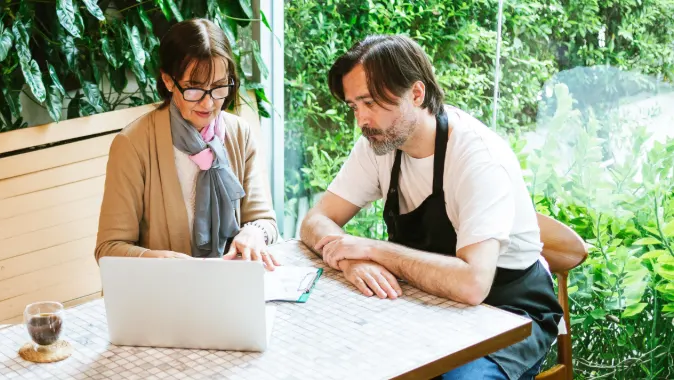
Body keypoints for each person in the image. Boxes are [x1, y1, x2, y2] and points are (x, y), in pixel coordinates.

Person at [300, 34, 563, 380]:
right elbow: (315, 221)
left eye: (371, 102)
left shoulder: (477, 157)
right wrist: (351, 260)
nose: (361, 120)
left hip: (508, 310)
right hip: (429, 299)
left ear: (417, 93)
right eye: (354, 106)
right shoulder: (379, 143)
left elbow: (473, 284)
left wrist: (373, 249)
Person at [94, 18, 279, 269]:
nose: (208, 103)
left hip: (230, 286)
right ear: (169, 81)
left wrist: (255, 232)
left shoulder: (239, 134)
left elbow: (265, 221)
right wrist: (159, 260)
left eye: (218, 87)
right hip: (164, 294)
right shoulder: (133, 144)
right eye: (193, 88)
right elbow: (109, 248)